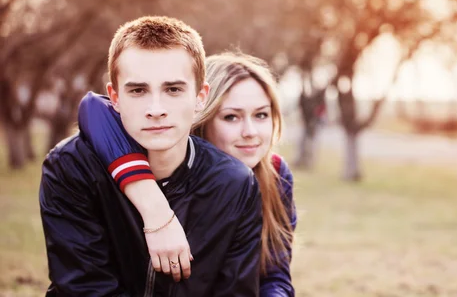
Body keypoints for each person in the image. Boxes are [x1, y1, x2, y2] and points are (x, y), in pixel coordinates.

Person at [39, 16, 263, 296]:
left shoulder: (235, 184)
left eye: (173, 89)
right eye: (138, 90)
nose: (156, 109)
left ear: (200, 96)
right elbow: (85, 288)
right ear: (115, 97)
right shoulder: (71, 167)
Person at [78, 52, 297, 296]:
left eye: (261, 115)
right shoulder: (164, 165)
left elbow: (275, 273)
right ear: (202, 114)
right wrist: (152, 204)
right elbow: (93, 107)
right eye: (231, 117)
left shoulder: (276, 173)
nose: (250, 131)